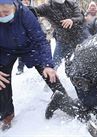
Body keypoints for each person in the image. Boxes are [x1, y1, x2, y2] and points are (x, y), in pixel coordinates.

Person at [0, 0, 67, 130]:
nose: (2, 16)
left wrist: (48, 64)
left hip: (29, 47)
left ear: (14, 7)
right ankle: (7, 114)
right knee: (2, 81)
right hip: (4, 51)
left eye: (6, 12)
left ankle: (64, 99)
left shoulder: (25, 14)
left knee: (48, 72)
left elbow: (40, 40)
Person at [33, 0, 86, 69]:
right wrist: (21, 7)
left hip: (78, 38)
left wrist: (72, 20)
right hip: (63, 41)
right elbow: (33, 11)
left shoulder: (71, 3)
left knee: (82, 61)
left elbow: (80, 17)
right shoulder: (47, 7)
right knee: (54, 65)